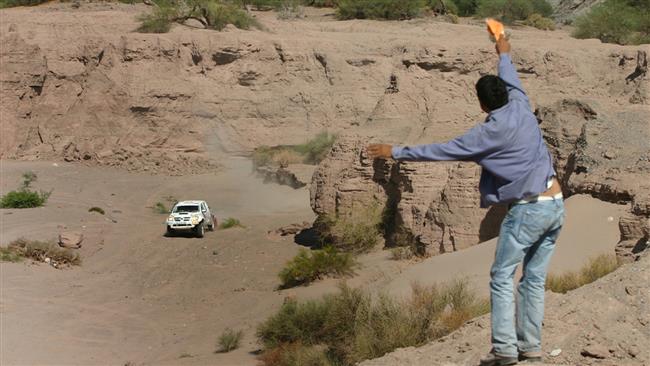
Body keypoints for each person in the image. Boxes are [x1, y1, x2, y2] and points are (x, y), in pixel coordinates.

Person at [367, 37, 564, 366]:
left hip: (528, 209)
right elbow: (511, 75)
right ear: (506, 94)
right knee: (534, 278)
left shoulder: (484, 136)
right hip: (555, 203)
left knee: (502, 277)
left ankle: (504, 350)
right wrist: (503, 51)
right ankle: (530, 346)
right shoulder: (521, 105)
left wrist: (395, 151)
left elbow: (438, 151)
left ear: (482, 104)